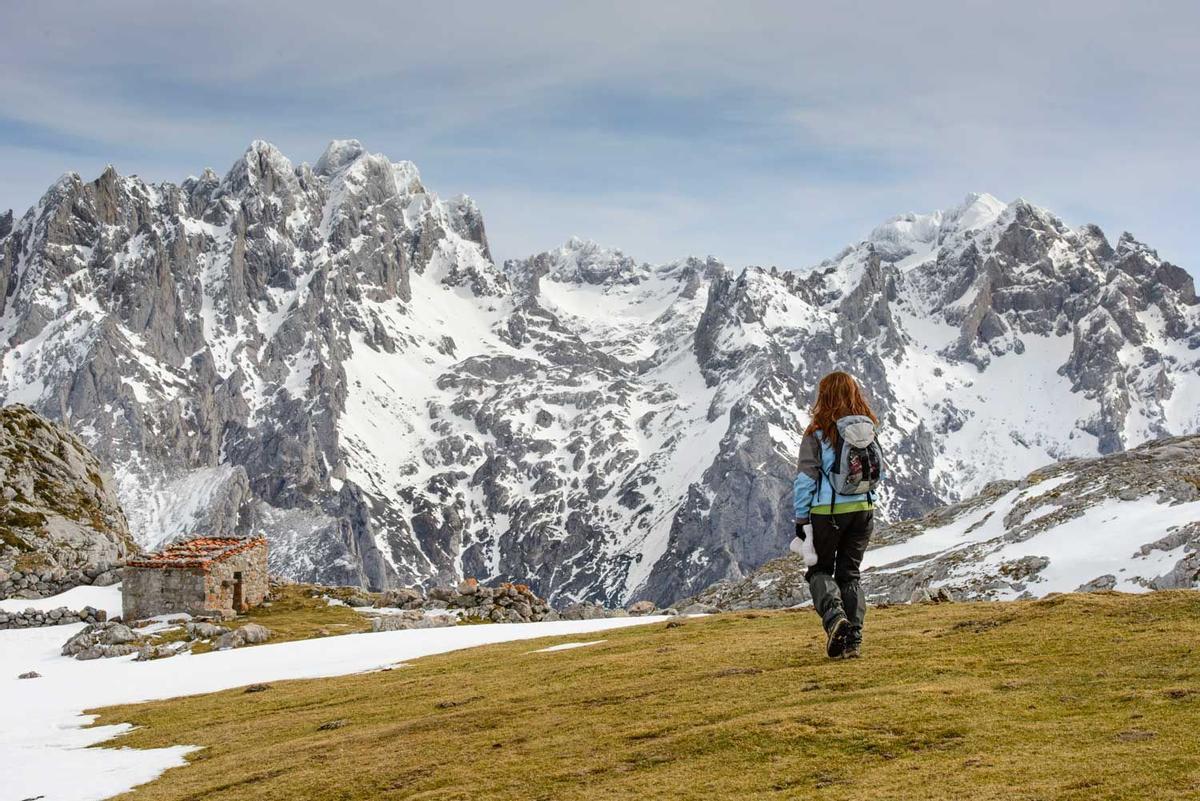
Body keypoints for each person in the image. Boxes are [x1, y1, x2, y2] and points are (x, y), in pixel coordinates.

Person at [793, 371, 883, 659]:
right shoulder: (868, 428)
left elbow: (806, 480)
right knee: (850, 575)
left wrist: (801, 518)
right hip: (864, 510)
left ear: (824, 396)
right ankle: (853, 640)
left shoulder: (818, 433)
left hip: (828, 513)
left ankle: (835, 620)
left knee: (819, 571)